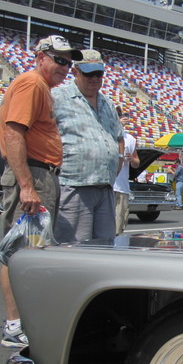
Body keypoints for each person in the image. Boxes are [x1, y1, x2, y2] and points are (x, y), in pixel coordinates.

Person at [0, 34, 83, 348]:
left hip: (40, 174)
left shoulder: (43, 88)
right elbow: (14, 132)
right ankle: (14, 324)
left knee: (31, 252)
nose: (65, 66)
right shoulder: (32, 84)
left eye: (68, 62)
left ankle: (21, 321)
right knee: (21, 255)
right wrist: (26, 186)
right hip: (32, 173)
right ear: (41, 57)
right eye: (59, 59)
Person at [51, 49, 124, 243]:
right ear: (75, 72)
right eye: (88, 73)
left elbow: (118, 137)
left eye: (98, 74)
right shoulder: (57, 97)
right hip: (74, 184)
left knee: (105, 245)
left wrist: (118, 160)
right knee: (75, 247)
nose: (94, 79)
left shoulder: (108, 103)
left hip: (104, 186)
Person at [113, 106, 140, 234]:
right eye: (118, 115)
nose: (121, 117)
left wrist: (131, 160)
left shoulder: (130, 139)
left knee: (119, 226)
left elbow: (137, 162)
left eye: (122, 115)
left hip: (122, 187)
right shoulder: (107, 133)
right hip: (108, 186)